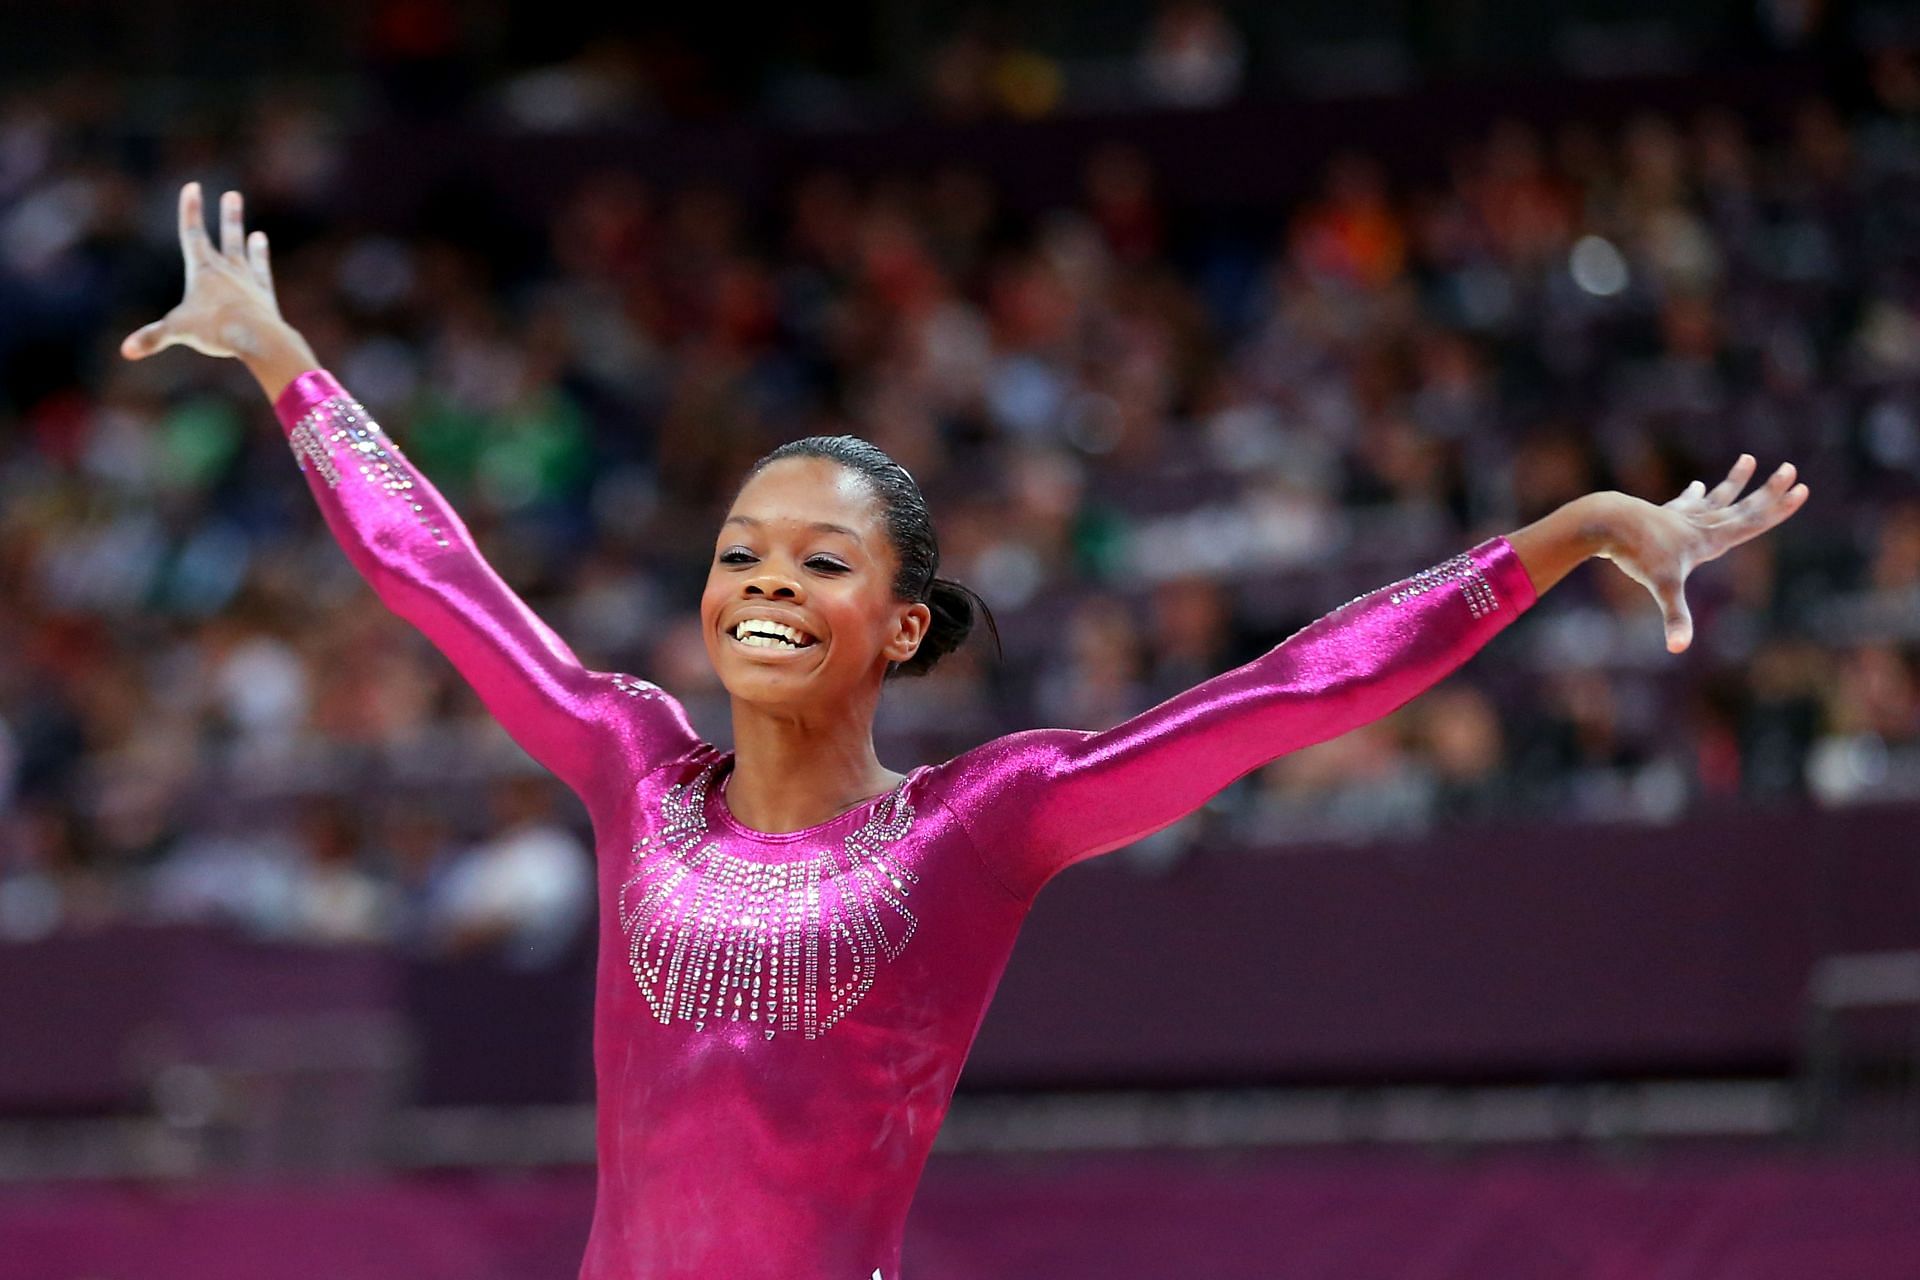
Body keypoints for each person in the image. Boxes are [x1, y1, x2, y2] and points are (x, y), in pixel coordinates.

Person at [120, 182, 1809, 1280]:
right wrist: (285, 362)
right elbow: (445, 588)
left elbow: (1289, 694)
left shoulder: (979, 828)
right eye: (737, 553)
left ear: (903, 626)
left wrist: (1575, 527)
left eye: (820, 559)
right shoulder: (632, 763)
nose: (763, 584)